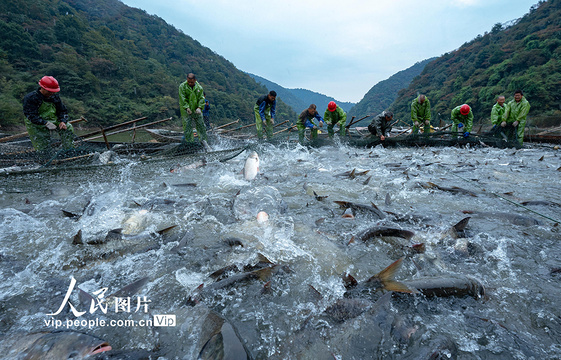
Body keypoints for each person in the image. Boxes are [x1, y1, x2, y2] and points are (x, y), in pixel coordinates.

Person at [22, 76, 74, 151]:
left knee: (68, 127)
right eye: (49, 91)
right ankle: (43, 157)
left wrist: (63, 121)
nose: (51, 93)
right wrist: (45, 123)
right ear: (42, 88)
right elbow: (31, 115)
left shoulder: (54, 97)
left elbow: (62, 111)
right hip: (35, 124)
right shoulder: (31, 98)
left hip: (53, 119)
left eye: (53, 91)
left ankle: (69, 150)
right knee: (42, 145)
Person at [178, 73, 206, 143]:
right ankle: (189, 142)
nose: (190, 83)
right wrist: (187, 108)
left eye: (192, 82)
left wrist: (199, 107)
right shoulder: (182, 86)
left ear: (195, 80)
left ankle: (203, 141)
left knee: (201, 125)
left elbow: (201, 98)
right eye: (188, 82)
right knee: (187, 126)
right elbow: (182, 98)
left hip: (196, 109)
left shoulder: (199, 88)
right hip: (186, 110)